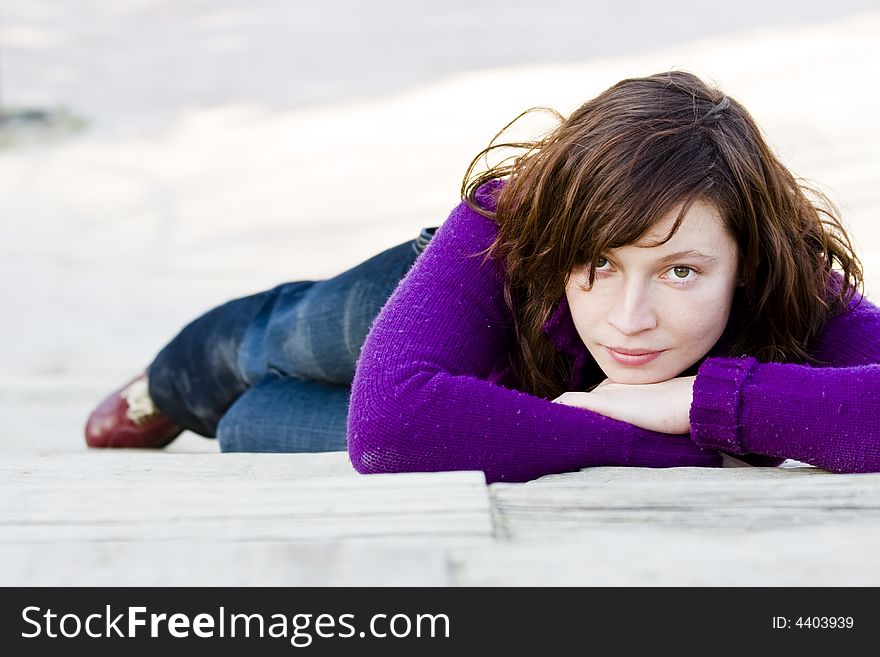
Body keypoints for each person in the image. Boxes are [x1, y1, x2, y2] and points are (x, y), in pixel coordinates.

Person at [85, 70, 880, 483]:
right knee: (278, 340)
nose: (629, 317)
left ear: (746, 264)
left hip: (488, 405)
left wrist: (693, 401)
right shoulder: (506, 225)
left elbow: (384, 434)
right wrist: (689, 444)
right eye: (597, 262)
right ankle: (165, 383)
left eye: (679, 271)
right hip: (447, 307)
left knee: (253, 430)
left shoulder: (792, 276)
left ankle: (217, 412)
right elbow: (396, 416)